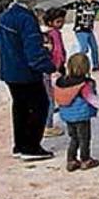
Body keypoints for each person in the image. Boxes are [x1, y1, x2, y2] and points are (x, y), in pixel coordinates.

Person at [0, 0, 56, 161]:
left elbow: (0, 44)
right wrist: (49, 66)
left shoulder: (6, 15)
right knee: (40, 106)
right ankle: (31, 147)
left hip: (9, 70)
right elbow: (33, 51)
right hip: (26, 72)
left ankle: (19, 145)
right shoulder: (26, 18)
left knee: (20, 107)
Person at [54, 53, 99, 171]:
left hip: (67, 116)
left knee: (74, 138)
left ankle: (71, 160)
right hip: (82, 116)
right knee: (84, 138)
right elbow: (92, 99)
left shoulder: (61, 81)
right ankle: (85, 159)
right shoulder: (85, 84)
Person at [43, 7, 68, 138]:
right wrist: (58, 68)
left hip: (49, 69)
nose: (62, 23)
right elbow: (58, 53)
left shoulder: (48, 34)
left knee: (49, 97)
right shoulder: (55, 34)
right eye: (59, 21)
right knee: (50, 99)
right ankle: (48, 126)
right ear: (51, 22)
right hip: (54, 69)